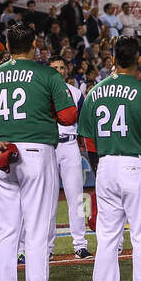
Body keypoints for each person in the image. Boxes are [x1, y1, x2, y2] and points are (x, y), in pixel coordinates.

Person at [0, 27, 80, 281]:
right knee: (37, 231)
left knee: (6, 233)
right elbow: (69, 116)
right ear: (35, 44)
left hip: (1, 155)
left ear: (6, 46)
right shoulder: (48, 75)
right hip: (35, 153)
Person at [78, 35, 141, 281]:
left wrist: (101, 167)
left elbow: (87, 140)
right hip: (134, 164)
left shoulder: (94, 93)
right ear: (138, 59)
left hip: (104, 166)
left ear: (114, 59)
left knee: (106, 238)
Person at [50, 56, 92, 259]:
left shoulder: (76, 93)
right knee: (46, 200)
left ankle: (80, 244)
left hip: (70, 145)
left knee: (78, 196)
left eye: (61, 67)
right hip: (48, 147)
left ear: (66, 70)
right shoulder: (41, 91)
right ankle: (47, 248)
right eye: (54, 67)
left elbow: (85, 123)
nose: (59, 70)